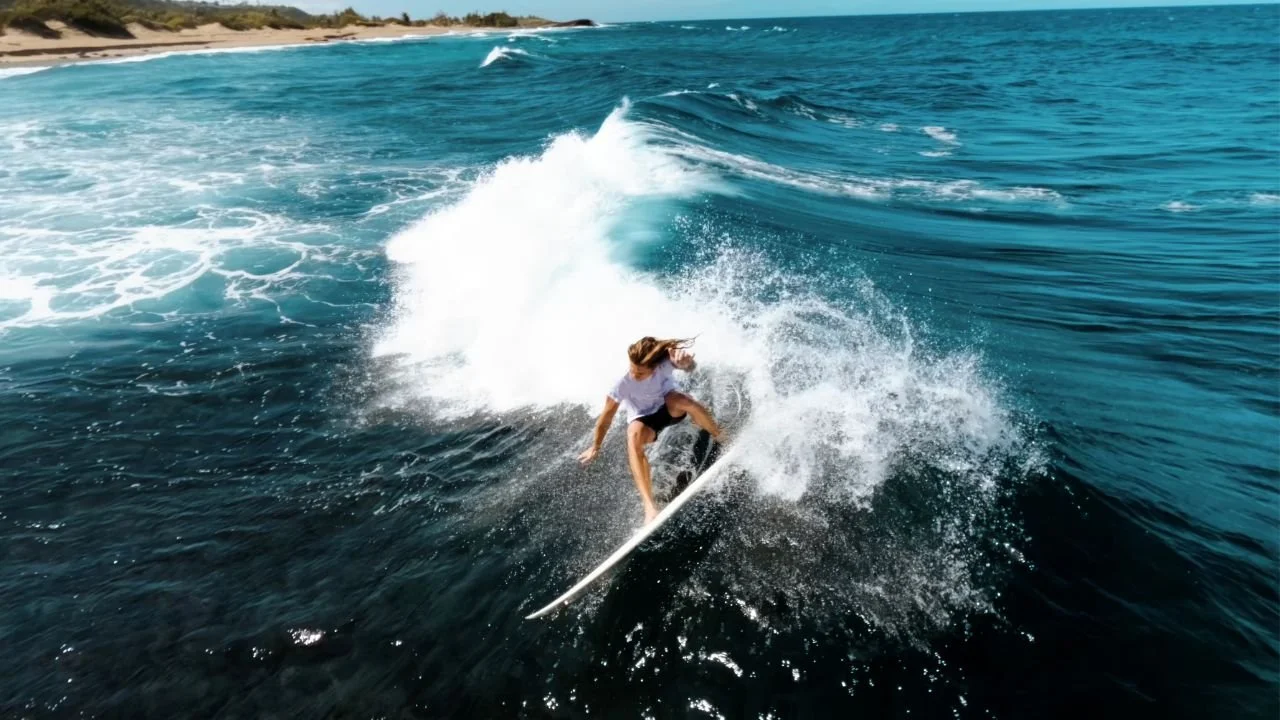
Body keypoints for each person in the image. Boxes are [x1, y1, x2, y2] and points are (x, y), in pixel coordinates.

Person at [578, 337, 725, 524]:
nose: (633, 374)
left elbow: (690, 368)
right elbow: (605, 418)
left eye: (640, 373)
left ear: (655, 367)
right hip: (645, 421)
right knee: (632, 435)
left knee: (683, 399)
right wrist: (595, 446)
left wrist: (688, 363)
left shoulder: (665, 363)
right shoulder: (623, 383)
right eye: (632, 369)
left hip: (670, 408)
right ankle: (649, 506)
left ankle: (719, 434)